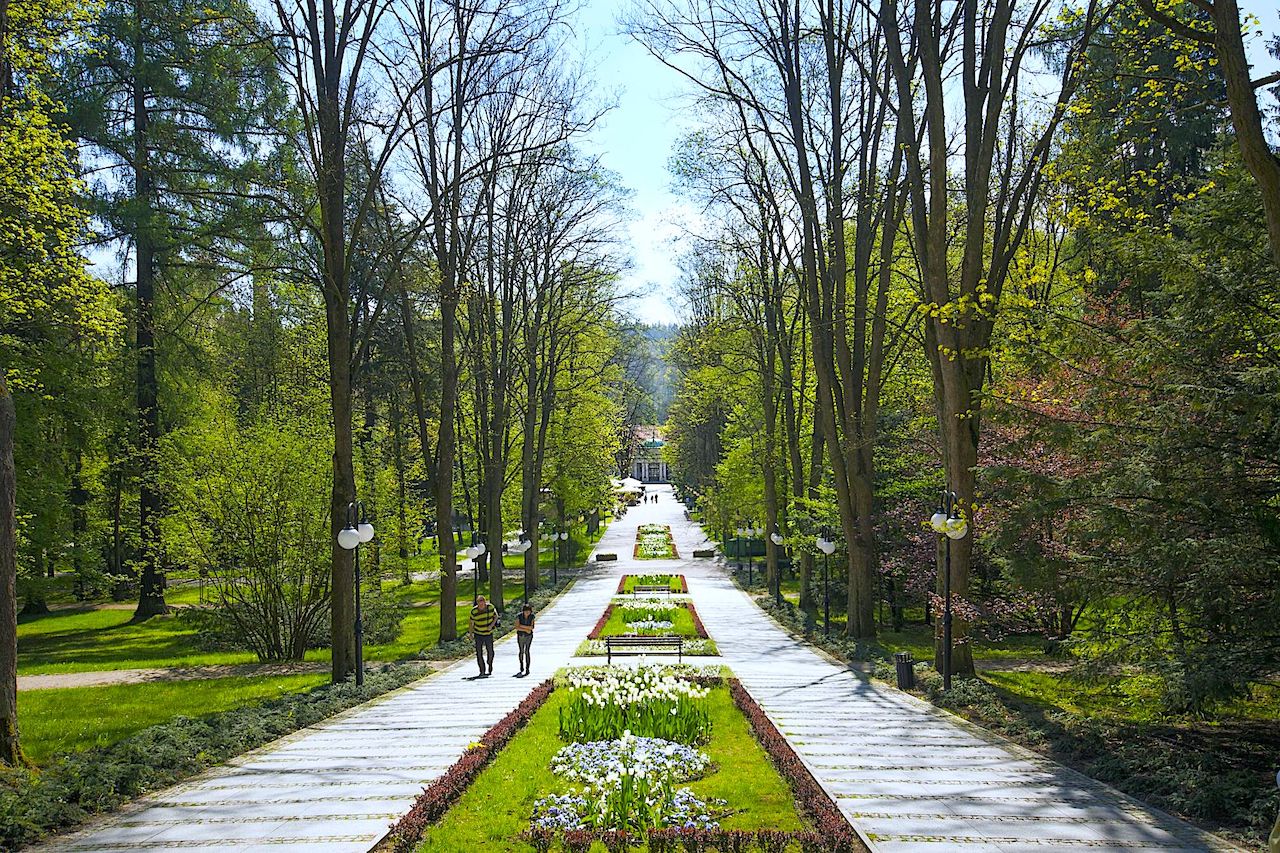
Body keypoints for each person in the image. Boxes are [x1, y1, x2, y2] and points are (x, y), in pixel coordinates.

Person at [469, 594, 497, 677]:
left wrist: (491, 625)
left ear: (485, 601)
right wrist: (471, 634)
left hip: (488, 633)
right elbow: (471, 623)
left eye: (482, 601)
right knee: (479, 653)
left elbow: (496, 616)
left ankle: (490, 663)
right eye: (479, 602)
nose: (481, 603)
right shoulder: (474, 611)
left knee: (490, 651)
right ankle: (482, 670)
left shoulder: (490, 607)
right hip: (478, 634)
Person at [515, 602, 535, 676]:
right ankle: (521, 664)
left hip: (529, 636)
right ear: (523, 611)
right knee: (521, 650)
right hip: (521, 635)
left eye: (529, 611)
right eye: (526, 611)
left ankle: (527, 667)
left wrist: (522, 626)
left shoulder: (532, 616)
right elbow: (517, 627)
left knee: (527, 651)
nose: (527, 613)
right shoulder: (519, 616)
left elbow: (532, 627)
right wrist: (526, 629)